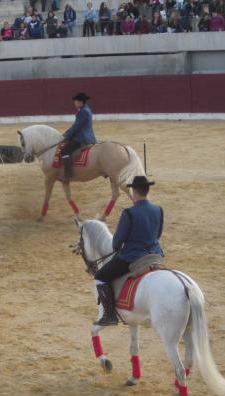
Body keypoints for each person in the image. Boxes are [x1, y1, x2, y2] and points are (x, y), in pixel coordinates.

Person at [93, 176, 164, 326]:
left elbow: (117, 243)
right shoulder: (158, 210)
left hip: (133, 257)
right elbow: (157, 235)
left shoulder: (129, 213)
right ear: (147, 191)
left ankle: (109, 314)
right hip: (155, 256)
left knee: (100, 276)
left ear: (134, 192)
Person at [61, 92, 96, 181]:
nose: (74, 103)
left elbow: (76, 127)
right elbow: (76, 125)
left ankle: (68, 174)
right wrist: (67, 132)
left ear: (81, 102)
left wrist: (67, 137)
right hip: (86, 135)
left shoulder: (83, 111)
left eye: (76, 101)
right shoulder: (85, 109)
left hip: (82, 138)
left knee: (65, 151)